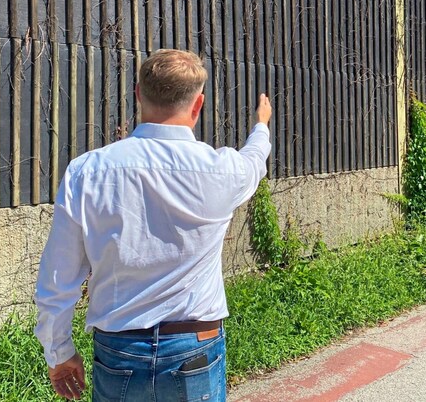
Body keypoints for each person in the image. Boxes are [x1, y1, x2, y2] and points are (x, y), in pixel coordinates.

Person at [34, 49, 272, 401]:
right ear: (198, 105)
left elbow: (58, 276)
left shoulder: (87, 172)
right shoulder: (224, 170)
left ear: (138, 95)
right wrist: (261, 124)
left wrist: (58, 351)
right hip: (196, 345)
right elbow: (255, 158)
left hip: (119, 349)